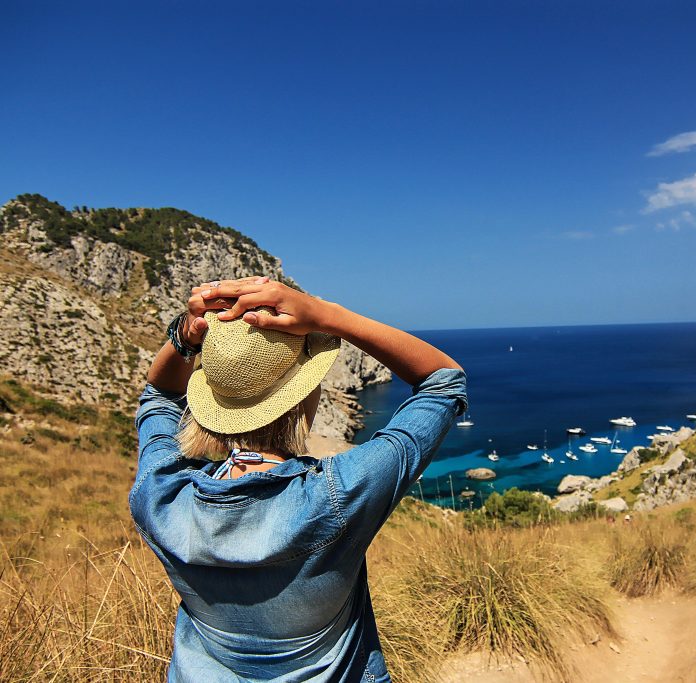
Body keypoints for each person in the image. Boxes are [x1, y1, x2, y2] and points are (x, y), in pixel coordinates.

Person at [130, 276, 467, 682]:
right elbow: (443, 382)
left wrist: (186, 334)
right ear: (303, 396)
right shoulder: (337, 494)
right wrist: (327, 315)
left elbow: (159, 396)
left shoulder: (161, 493)